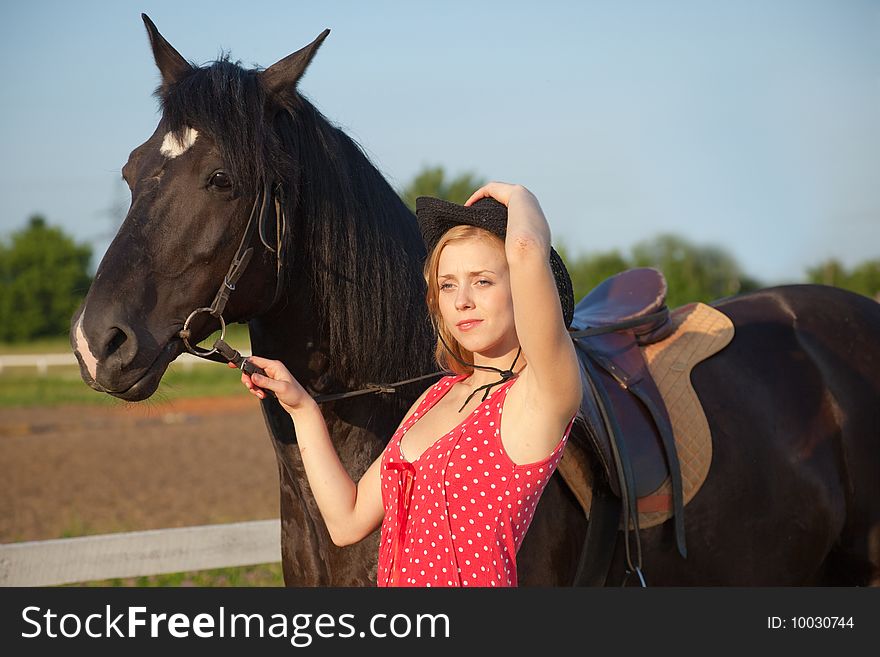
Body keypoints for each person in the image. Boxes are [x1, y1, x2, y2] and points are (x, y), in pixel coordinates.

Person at [236, 182, 582, 587]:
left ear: (519, 291)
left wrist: (521, 196)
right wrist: (301, 408)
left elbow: (524, 249)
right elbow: (346, 522)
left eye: (483, 281)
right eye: (448, 284)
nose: (462, 300)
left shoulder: (539, 396)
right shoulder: (435, 397)